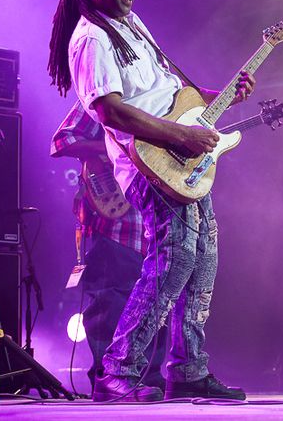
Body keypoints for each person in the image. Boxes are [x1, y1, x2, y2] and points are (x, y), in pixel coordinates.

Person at [47, 0, 254, 402]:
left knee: (203, 258)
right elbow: (110, 110)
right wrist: (178, 138)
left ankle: (187, 368)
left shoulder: (130, 25)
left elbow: (168, 92)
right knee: (175, 258)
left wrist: (222, 95)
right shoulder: (91, 38)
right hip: (150, 163)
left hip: (183, 158)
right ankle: (117, 371)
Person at [50, 100, 168, 393]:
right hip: (114, 222)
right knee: (111, 300)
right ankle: (109, 380)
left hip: (152, 225)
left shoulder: (163, 98)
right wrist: (115, 150)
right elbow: (63, 140)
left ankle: (148, 378)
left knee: (158, 306)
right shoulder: (105, 95)